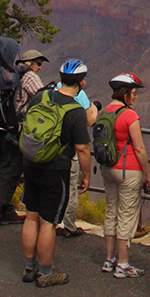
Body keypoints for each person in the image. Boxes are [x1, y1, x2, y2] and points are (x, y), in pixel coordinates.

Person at [20, 58, 92, 288]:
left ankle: (29, 267)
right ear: (81, 82)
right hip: (55, 169)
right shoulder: (76, 111)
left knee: (31, 215)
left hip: (30, 162)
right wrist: (87, 176)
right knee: (48, 222)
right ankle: (46, 272)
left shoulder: (41, 96)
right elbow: (82, 149)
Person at [100, 72, 150, 278]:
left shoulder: (105, 111)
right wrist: (147, 175)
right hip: (128, 170)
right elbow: (139, 149)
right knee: (126, 216)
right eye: (133, 92)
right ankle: (123, 265)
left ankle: (109, 259)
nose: (136, 96)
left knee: (111, 211)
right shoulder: (130, 115)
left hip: (108, 169)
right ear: (125, 94)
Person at [0, 37, 28, 229]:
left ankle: (6, 210)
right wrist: (25, 69)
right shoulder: (6, 75)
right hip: (10, 131)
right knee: (10, 173)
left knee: (1, 170)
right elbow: (15, 78)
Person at [55, 73, 98, 239]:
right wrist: (94, 109)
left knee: (56, 187)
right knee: (71, 188)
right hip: (69, 150)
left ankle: (54, 221)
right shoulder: (79, 95)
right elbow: (90, 120)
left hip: (52, 148)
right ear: (78, 81)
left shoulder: (53, 90)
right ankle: (69, 225)